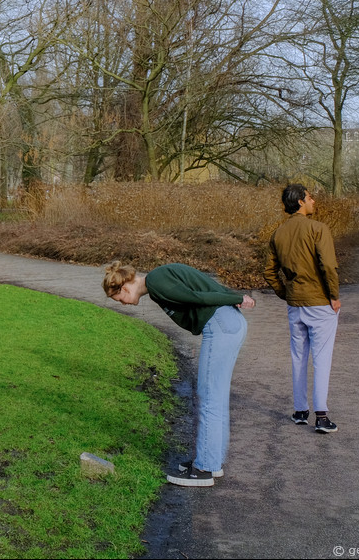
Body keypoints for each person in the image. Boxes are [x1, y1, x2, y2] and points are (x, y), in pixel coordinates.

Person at [103, 261, 255, 487]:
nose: (124, 304)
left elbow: (198, 298)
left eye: (119, 300)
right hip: (229, 324)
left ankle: (203, 470)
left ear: (124, 288)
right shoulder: (158, 280)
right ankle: (212, 462)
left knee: (208, 398)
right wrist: (233, 298)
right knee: (216, 397)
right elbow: (203, 288)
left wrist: (237, 298)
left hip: (220, 325)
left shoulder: (156, 281)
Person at [263, 184, 340, 434]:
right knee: (321, 358)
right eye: (309, 197)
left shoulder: (278, 233)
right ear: (299, 202)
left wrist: (285, 293)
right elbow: (328, 266)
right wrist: (334, 296)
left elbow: (269, 272)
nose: (313, 200)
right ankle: (321, 415)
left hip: (295, 304)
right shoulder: (318, 229)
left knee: (298, 357)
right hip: (319, 302)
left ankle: (299, 411)